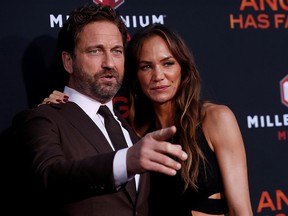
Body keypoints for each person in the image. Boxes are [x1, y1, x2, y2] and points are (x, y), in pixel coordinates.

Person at [44, 23, 254, 215]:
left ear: (183, 67)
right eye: (146, 66)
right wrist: (64, 106)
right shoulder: (132, 132)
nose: (158, 75)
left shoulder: (215, 118)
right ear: (135, 76)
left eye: (168, 63)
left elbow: (241, 210)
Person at [12, 5, 188, 216]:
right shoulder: (43, 119)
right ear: (68, 62)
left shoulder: (132, 129)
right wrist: (125, 161)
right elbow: (49, 176)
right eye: (95, 51)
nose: (109, 63)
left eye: (117, 51)